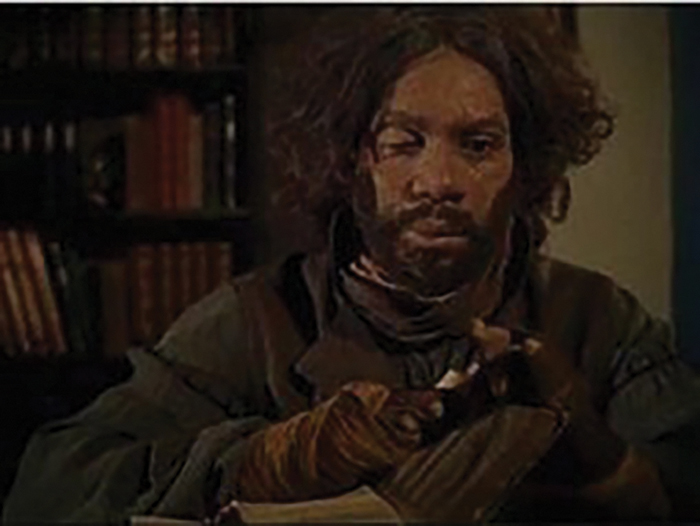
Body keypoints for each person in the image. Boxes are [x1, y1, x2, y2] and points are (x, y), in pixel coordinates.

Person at [5, 6, 700, 523]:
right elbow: (48, 489)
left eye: (478, 144)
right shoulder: (256, 322)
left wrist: (601, 459)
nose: (439, 181)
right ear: (351, 161)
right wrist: (276, 458)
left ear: (526, 168)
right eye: (403, 142)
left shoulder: (600, 320)